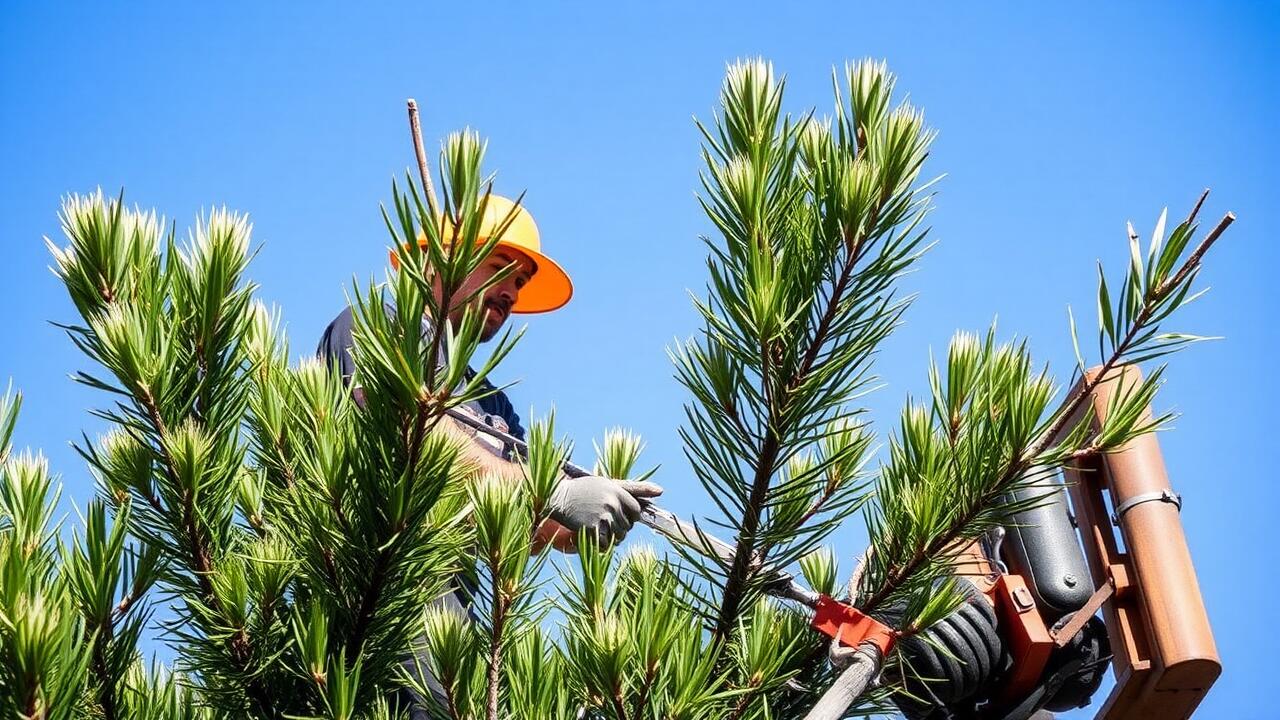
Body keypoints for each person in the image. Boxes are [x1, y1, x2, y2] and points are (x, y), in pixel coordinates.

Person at [316, 195, 661, 714]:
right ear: (440, 262)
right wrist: (557, 490)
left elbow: (526, 526)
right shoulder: (378, 326)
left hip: (449, 635)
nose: (510, 294)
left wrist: (588, 522)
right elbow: (420, 440)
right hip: (367, 603)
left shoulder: (492, 404)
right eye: (501, 269)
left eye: (520, 284)